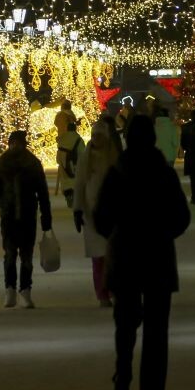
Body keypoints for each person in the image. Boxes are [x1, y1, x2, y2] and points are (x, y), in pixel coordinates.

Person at [94, 115, 191, 390]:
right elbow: (181, 217)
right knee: (156, 327)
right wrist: (163, 233)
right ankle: (153, 387)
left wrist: (117, 233)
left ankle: (122, 378)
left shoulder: (116, 173)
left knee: (124, 323)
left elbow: (101, 218)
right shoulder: (164, 174)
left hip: (124, 256)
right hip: (157, 257)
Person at [0, 130, 52, 309]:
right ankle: (10, 289)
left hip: (28, 215)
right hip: (9, 215)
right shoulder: (1, 164)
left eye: (18, 143)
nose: (16, 146)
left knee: (26, 255)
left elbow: (42, 192)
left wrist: (46, 216)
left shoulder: (33, 164)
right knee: (10, 254)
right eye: (13, 143)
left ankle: (25, 290)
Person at [73, 121, 120, 307]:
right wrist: (78, 209)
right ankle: (102, 293)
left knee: (114, 255)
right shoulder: (86, 158)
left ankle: (115, 289)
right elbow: (79, 184)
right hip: (92, 213)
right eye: (94, 136)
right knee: (98, 258)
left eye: (100, 136)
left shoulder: (114, 156)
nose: (97, 140)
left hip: (114, 212)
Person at [56, 120, 85, 208]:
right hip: (75, 164)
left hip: (63, 164)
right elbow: (82, 152)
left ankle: (68, 195)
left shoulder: (61, 140)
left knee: (65, 181)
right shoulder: (78, 139)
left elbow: (58, 155)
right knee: (75, 180)